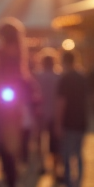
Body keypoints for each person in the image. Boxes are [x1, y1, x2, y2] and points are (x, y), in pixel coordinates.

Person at [0, 19, 33, 187]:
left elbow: (3, 82)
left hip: (7, 111)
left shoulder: (5, 54)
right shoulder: (20, 54)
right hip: (16, 110)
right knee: (10, 152)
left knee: (6, 151)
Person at [55, 50, 89, 187]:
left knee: (68, 157)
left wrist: (58, 123)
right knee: (79, 155)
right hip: (81, 121)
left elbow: (62, 103)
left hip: (69, 122)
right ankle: (79, 186)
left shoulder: (65, 79)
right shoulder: (82, 78)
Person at [34, 49, 62, 178]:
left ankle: (42, 164)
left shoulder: (37, 76)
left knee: (40, 141)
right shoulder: (59, 77)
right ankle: (56, 168)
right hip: (55, 113)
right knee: (55, 142)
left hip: (40, 113)